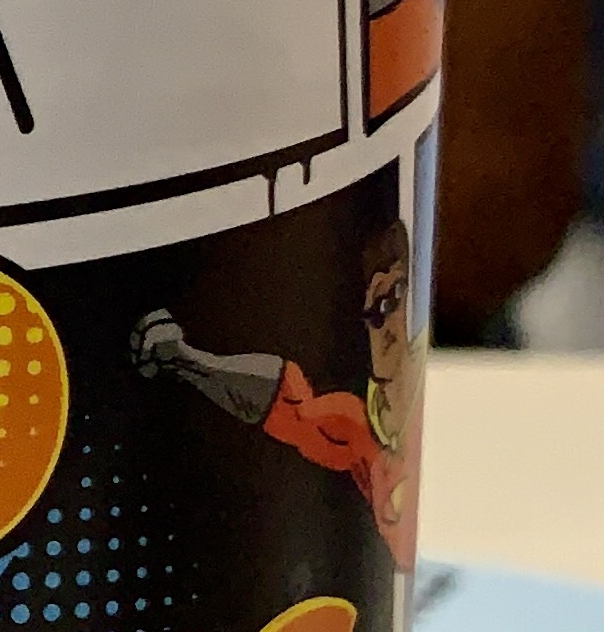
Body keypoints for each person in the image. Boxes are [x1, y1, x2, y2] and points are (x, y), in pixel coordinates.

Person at [129, 220, 421, 573]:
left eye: (397, 297)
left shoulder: (406, 418)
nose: (389, 328)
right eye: (377, 312)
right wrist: (186, 359)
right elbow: (293, 407)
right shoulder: (357, 425)